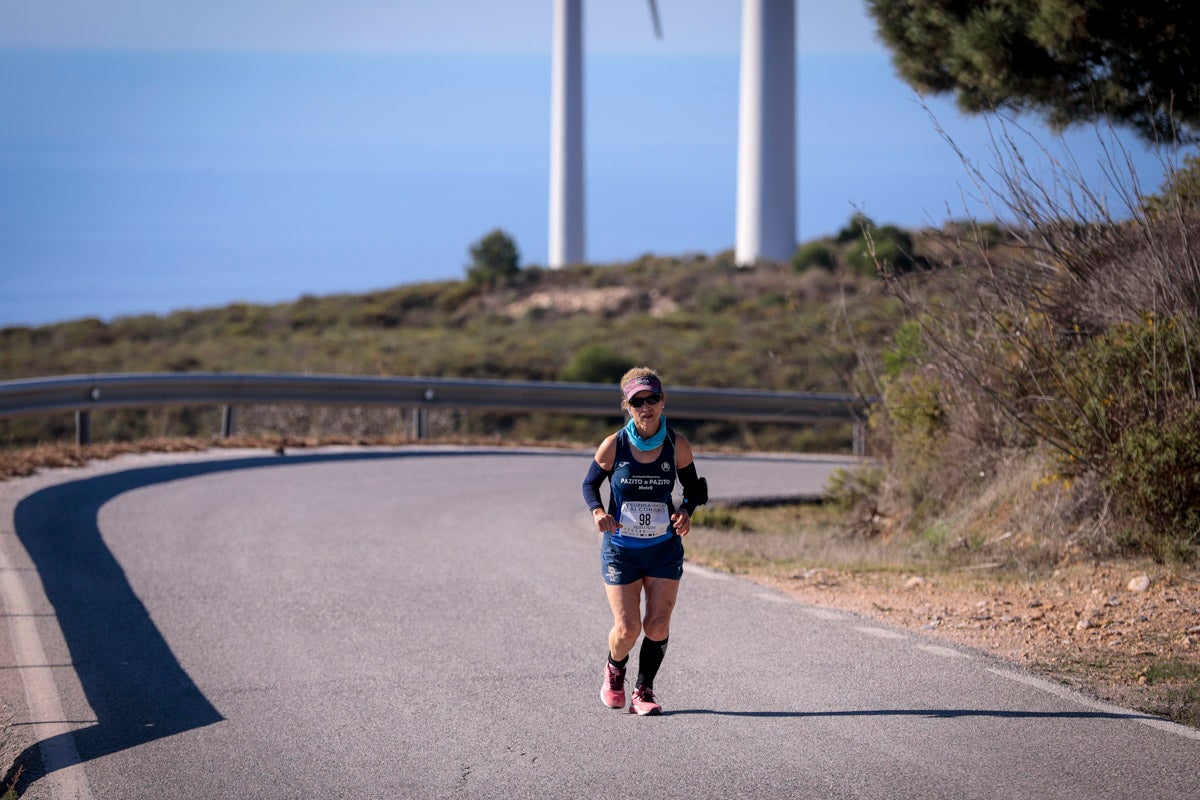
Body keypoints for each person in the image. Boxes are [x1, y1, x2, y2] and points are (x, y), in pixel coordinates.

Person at [581, 367, 707, 715]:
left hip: (663, 548)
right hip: (622, 550)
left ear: (663, 401)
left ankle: (644, 690)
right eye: (638, 401)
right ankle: (614, 669)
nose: (646, 406)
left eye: (652, 399)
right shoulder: (614, 445)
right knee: (627, 628)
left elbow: (693, 488)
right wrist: (596, 512)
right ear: (627, 405)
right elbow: (590, 485)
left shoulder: (676, 445)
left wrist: (687, 511)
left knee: (657, 624)